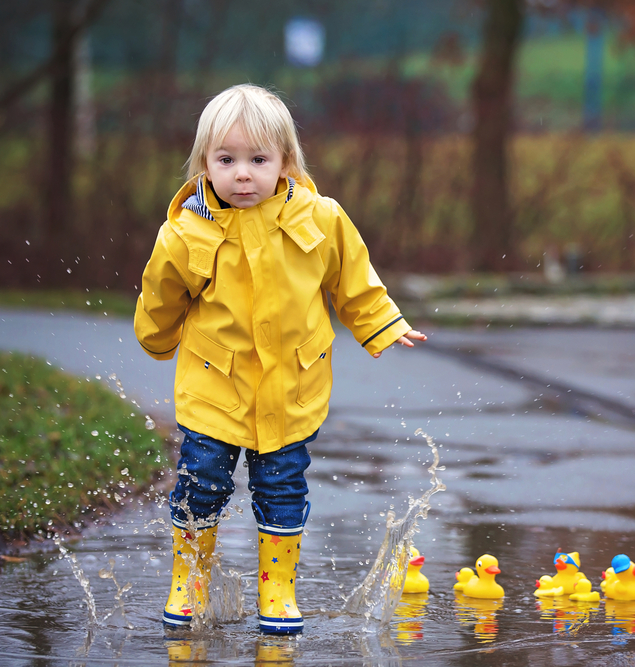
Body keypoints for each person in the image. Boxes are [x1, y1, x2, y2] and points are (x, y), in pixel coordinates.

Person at [134, 84, 426, 634]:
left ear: (285, 162)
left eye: (257, 160)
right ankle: (189, 581)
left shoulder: (320, 218)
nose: (242, 174)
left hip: (292, 386)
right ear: (204, 165)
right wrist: (157, 336)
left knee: (283, 484)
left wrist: (383, 324)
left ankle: (279, 592)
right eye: (226, 160)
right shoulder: (185, 232)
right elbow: (160, 294)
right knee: (202, 480)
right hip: (213, 384)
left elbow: (353, 280)